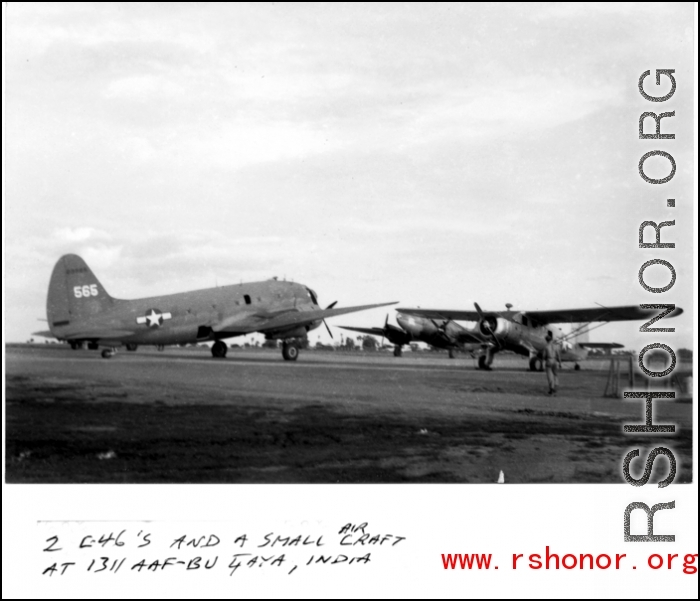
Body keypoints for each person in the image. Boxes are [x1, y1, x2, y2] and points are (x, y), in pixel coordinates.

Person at [543, 330, 561, 395]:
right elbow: (558, 355)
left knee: (550, 376)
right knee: (555, 375)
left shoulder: (546, 347)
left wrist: (545, 359)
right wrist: (560, 363)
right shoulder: (556, 346)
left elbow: (544, 356)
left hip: (549, 361)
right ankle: (556, 387)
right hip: (555, 361)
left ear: (546, 340)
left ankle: (551, 388)